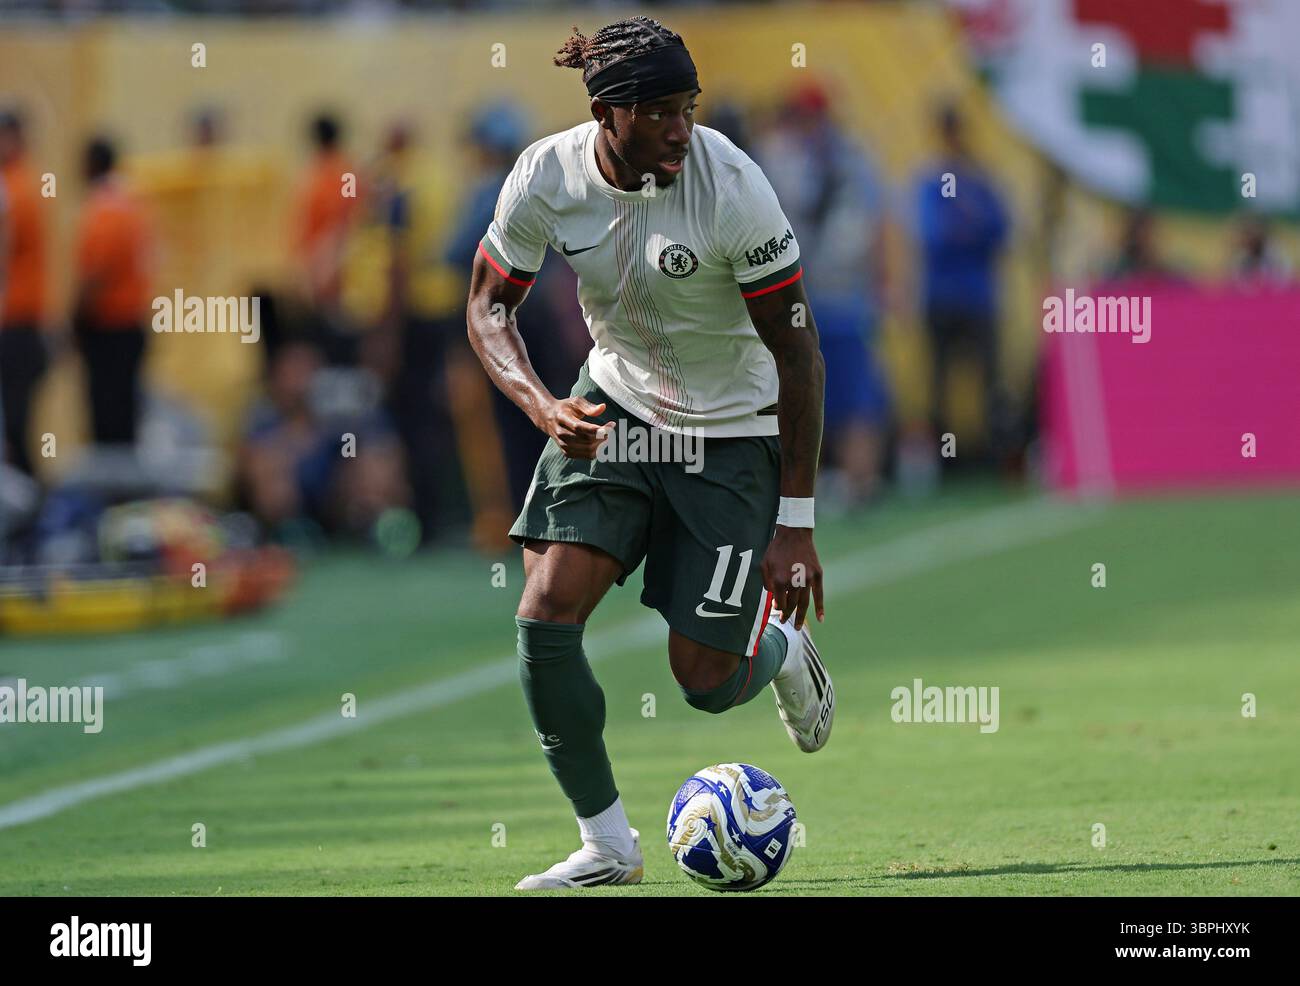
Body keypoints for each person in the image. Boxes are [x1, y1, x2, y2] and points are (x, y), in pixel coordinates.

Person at [466, 15, 834, 891]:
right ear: (606, 113)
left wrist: (796, 522)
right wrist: (542, 403)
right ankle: (607, 844)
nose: (682, 128)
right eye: (661, 111)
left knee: (705, 681)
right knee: (545, 612)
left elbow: (799, 354)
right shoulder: (544, 177)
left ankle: (780, 655)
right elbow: (488, 308)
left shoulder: (734, 186)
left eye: (689, 107)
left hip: (733, 433)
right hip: (614, 408)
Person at [754, 81, 890, 507]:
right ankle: (849, 484)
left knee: (820, 392)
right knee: (836, 393)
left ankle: (839, 483)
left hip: (812, 296)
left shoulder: (781, 158)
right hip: (827, 296)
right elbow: (877, 226)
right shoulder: (850, 158)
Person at [913, 102, 1009, 461]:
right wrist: (969, 225)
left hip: (977, 296)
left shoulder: (980, 181)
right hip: (943, 296)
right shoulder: (930, 180)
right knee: (939, 383)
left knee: (989, 380)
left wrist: (967, 224)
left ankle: (996, 457)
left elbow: (1001, 231)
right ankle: (943, 461)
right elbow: (933, 236)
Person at [72, 136, 153, 446]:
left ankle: (112, 492)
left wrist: (75, 319)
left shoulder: (104, 209)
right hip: (132, 323)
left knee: (108, 422)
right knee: (124, 418)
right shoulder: (132, 204)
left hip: (110, 327)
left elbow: (96, 274)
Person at [0, 109, 49, 476]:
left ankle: (30, 511)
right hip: (19, 323)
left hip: (17, 323)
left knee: (16, 427)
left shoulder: (15, 189)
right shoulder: (21, 185)